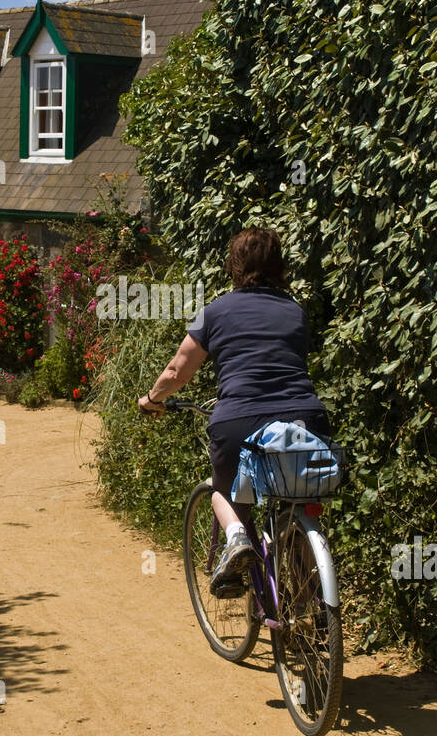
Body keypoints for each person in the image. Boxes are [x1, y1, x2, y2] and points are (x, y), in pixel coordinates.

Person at [138, 228, 331, 597]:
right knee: (295, 498)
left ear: (234, 265)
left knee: (220, 488)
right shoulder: (295, 311)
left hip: (239, 419)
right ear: (280, 266)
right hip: (306, 418)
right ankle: (312, 602)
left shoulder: (216, 312)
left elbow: (178, 371)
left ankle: (238, 538)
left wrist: (151, 399)